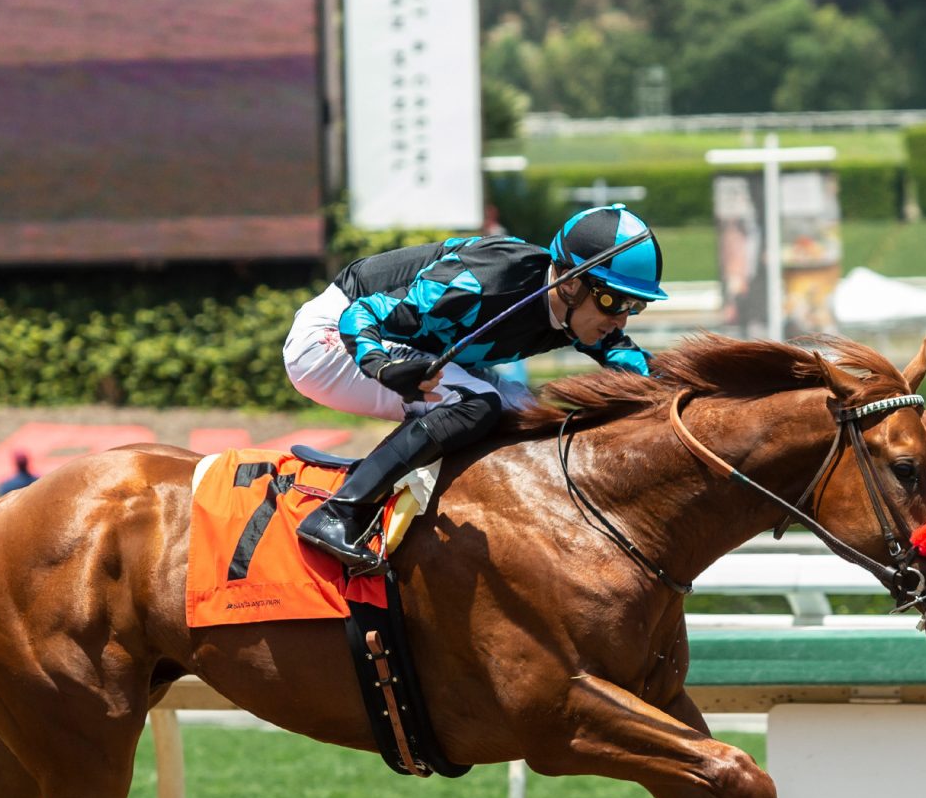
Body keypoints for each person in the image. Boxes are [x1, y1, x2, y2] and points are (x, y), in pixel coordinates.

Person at [284, 203, 667, 568]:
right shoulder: (476, 285)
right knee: (477, 401)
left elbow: (635, 366)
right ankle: (340, 513)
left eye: (634, 307)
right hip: (330, 340)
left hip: (397, 345)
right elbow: (361, 314)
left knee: (533, 413)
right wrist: (382, 367)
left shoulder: (579, 312)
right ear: (571, 285)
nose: (621, 320)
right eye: (615, 302)